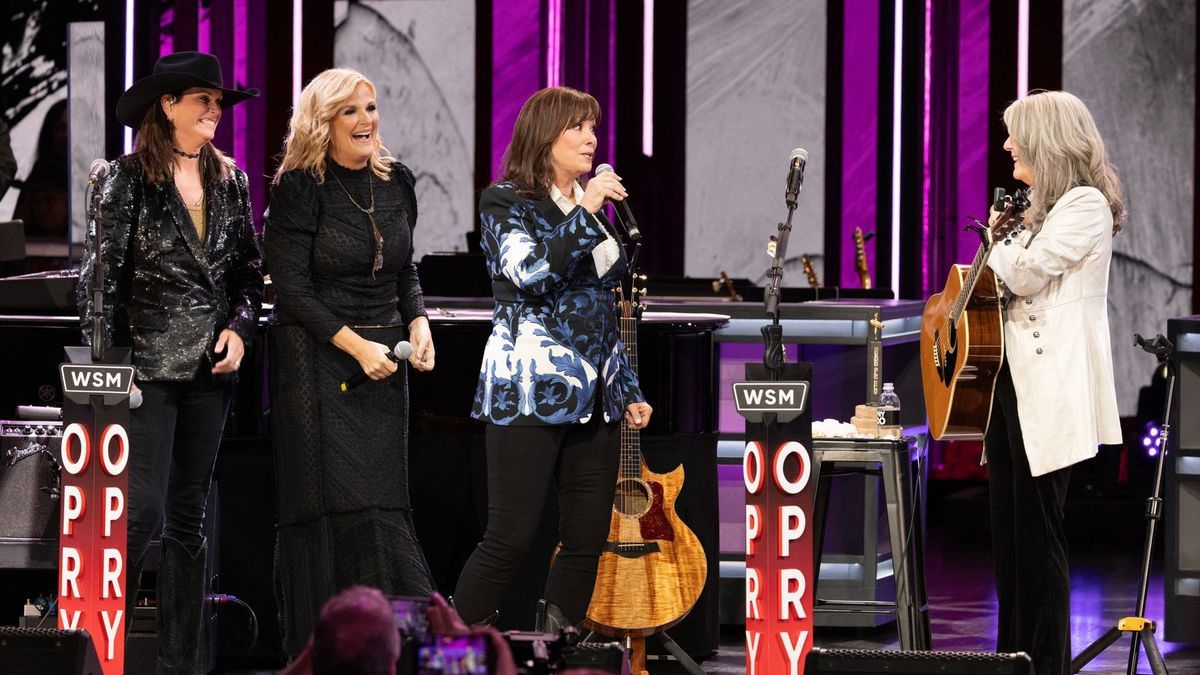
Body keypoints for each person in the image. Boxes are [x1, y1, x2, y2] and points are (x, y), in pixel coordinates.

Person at [76, 51, 262, 673]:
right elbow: (100, 285)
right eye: (203, 99)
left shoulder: (230, 180)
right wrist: (108, 374)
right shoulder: (123, 179)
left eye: (218, 101)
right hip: (144, 372)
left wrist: (239, 329)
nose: (215, 110)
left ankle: (179, 663)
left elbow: (248, 276)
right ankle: (102, 654)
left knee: (189, 517)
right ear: (168, 105)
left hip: (212, 370)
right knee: (141, 513)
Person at [452, 87, 653, 631]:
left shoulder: (586, 207)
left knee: (586, 540)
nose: (591, 138)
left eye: (593, 127)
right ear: (546, 137)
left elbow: (601, 311)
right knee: (509, 537)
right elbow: (531, 273)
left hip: (597, 402)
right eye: (578, 128)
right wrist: (587, 210)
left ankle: (557, 653)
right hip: (528, 391)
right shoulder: (506, 202)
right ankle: (450, 654)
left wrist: (627, 387)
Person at [265, 68, 436, 659]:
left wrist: (417, 319)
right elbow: (290, 288)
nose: (367, 120)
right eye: (350, 112)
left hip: (387, 354)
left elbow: (406, 268)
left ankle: (402, 651)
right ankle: (323, 653)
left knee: (384, 499)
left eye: (371, 107)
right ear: (323, 123)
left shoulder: (398, 181)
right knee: (329, 503)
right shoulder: (299, 188)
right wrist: (356, 345)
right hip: (316, 355)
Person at [984, 90, 1124, 675]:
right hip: (1012, 384)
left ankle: (1042, 664)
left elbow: (1023, 273)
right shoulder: (1037, 209)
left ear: (1047, 142)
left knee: (1039, 537)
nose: (1008, 145)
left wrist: (999, 240)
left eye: (1016, 135)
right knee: (1011, 537)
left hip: (1053, 390)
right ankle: (1011, 658)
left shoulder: (1085, 204)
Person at [13, 99, 67, 238]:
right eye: (61, 128)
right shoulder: (37, 177)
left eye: (74, 127)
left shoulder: (102, 175)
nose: (68, 135)